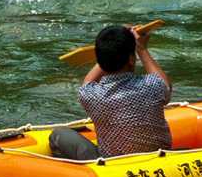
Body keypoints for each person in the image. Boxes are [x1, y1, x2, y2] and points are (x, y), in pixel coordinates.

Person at [51, 24, 172, 160]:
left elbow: (87, 82)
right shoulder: (152, 86)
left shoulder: (90, 96)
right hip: (159, 158)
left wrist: (106, 54)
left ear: (100, 61)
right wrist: (142, 49)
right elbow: (166, 86)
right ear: (131, 59)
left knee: (58, 134)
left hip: (113, 164)